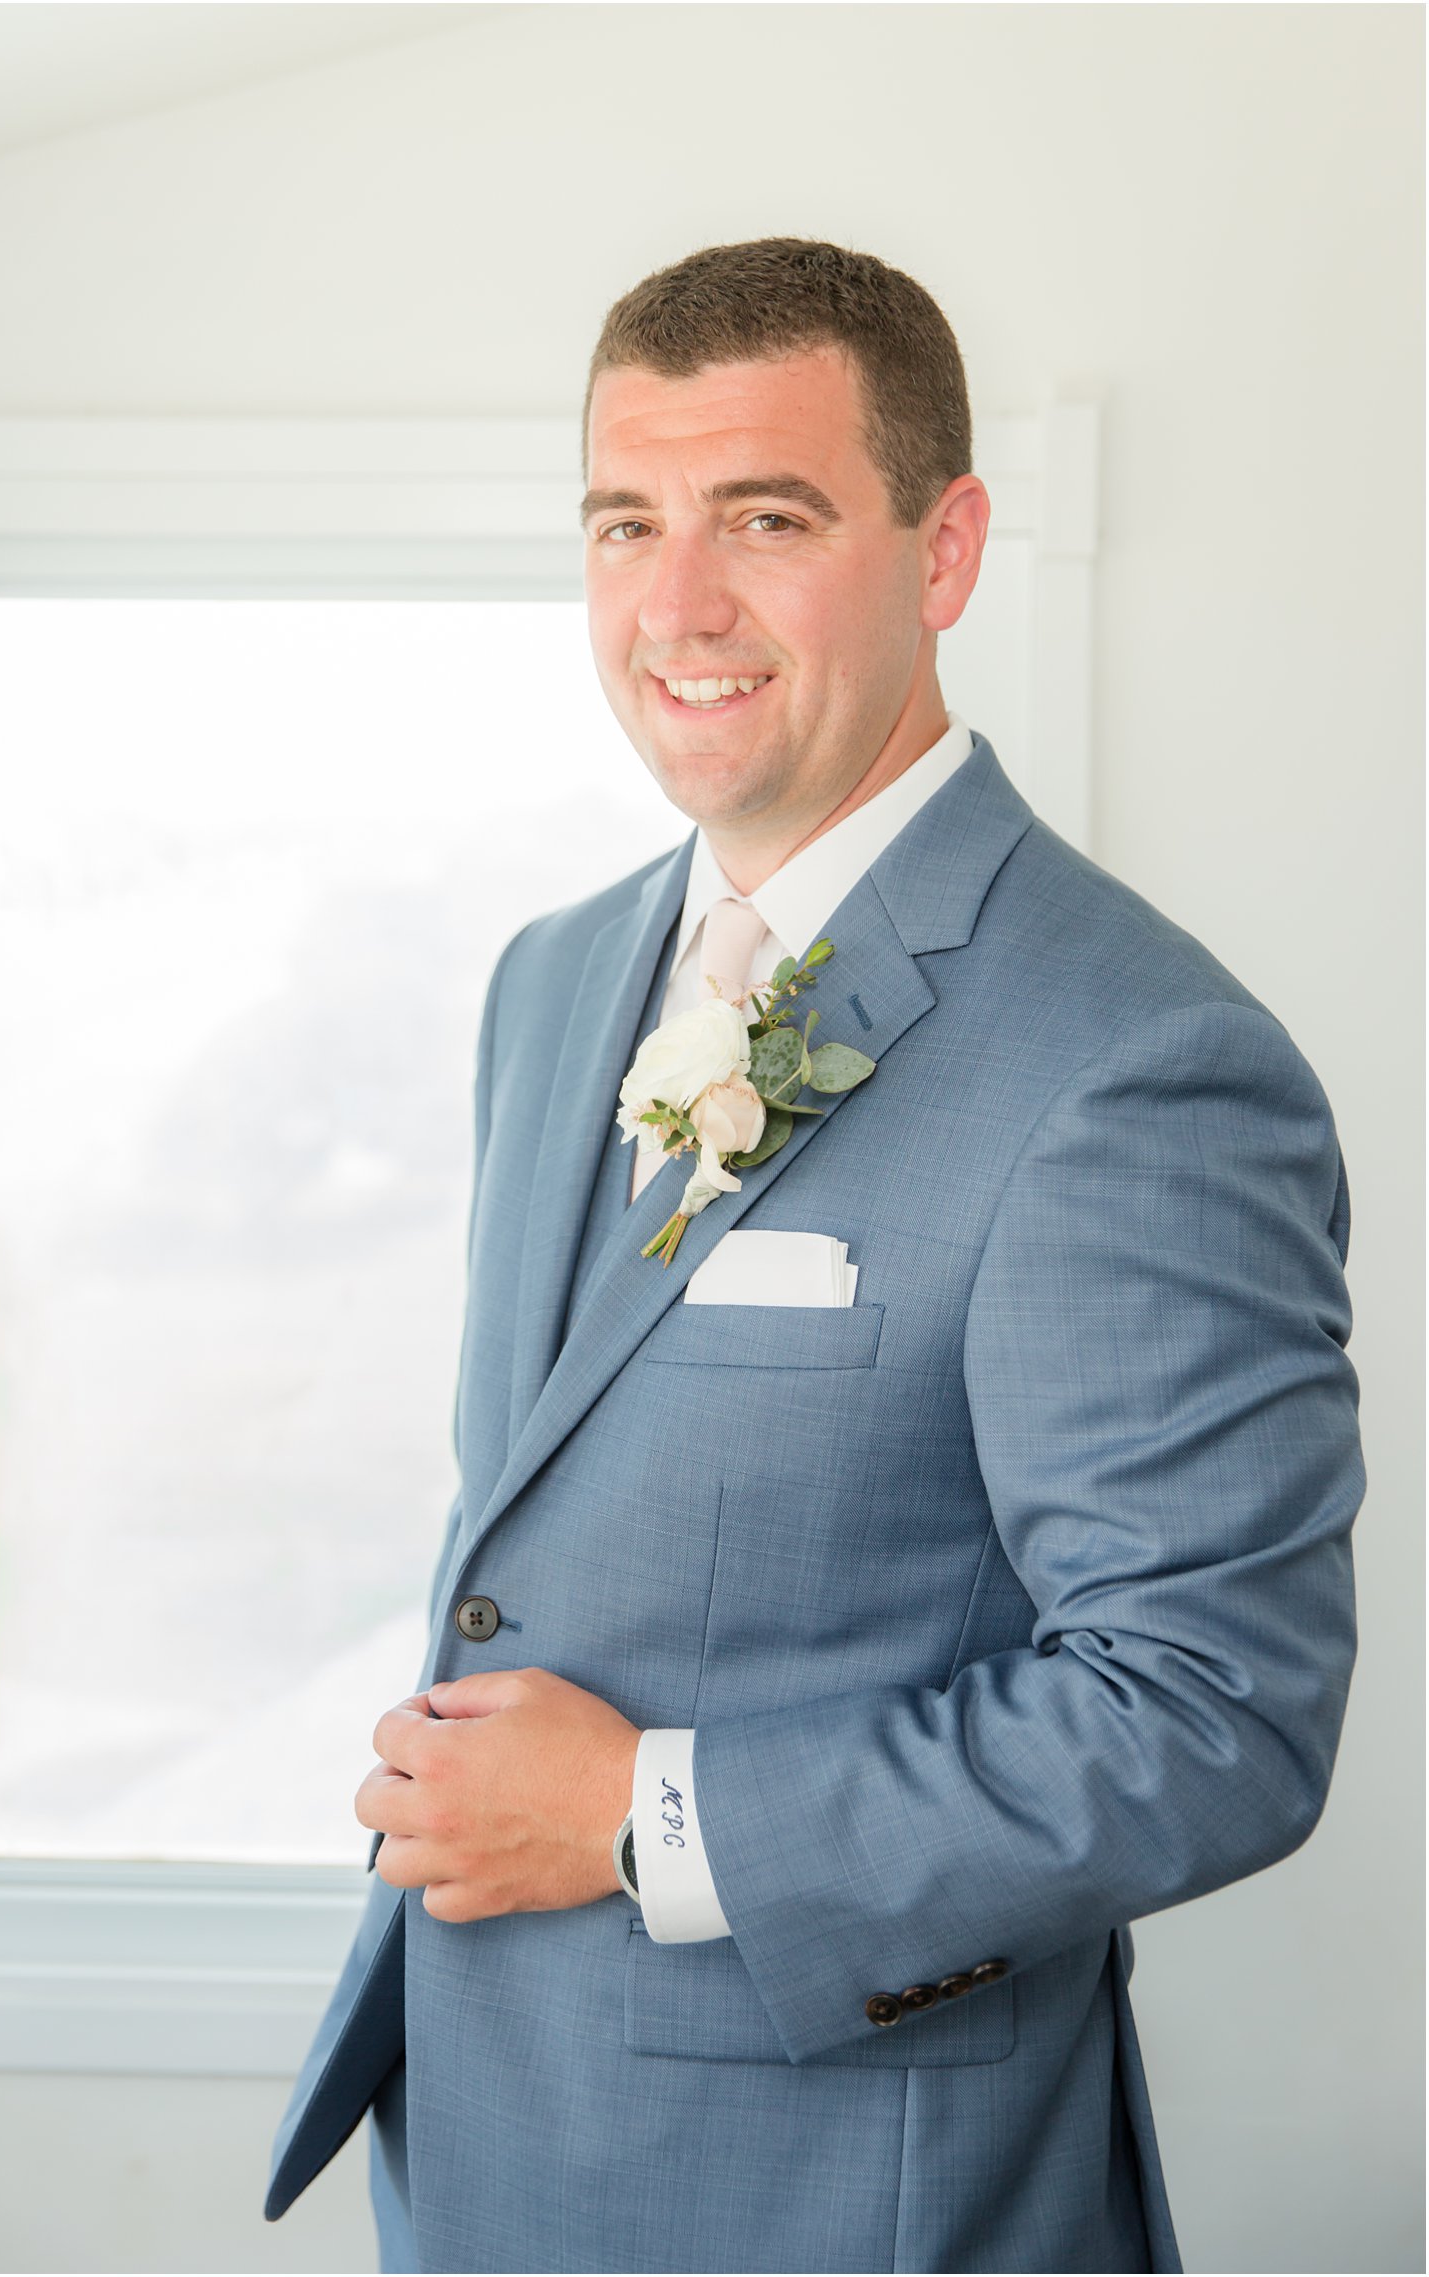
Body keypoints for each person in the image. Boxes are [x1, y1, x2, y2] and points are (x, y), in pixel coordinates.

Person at [265, 238, 1364, 2275]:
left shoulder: (1139, 1059)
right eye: (625, 521)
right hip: (486, 2154)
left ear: (943, 551)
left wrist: (636, 1816)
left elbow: (1212, 1713)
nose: (676, 605)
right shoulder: (554, 976)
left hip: (847, 2205)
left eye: (764, 519)